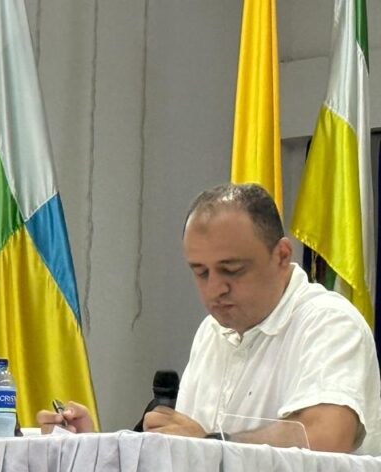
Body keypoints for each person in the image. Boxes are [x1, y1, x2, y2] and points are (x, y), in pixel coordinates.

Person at [38, 183, 381, 454]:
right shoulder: (212, 331)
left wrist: (213, 442)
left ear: (281, 255)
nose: (215, 289)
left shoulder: (329, 323)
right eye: (200, 272)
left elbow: (325, 436)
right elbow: (184, 451)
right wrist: (92, 446)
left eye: (232, 270)